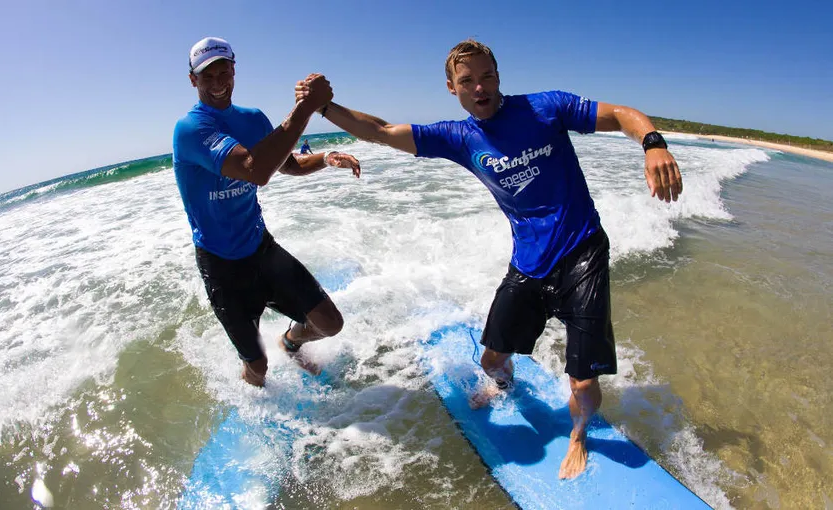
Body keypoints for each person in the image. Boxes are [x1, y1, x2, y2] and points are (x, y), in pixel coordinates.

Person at [297, 39, 682, 479]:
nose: (479, 88)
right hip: (529, 263)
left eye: (487, 77)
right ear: (452, 89)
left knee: (583, 380)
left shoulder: (545, 109)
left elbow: (620, 115)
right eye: (467, 81)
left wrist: (652, 143)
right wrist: (325, 108)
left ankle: (578, 435)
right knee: (491, 360)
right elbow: (382, 131)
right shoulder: (460, 138)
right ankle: (504, 386)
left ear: (499, 77)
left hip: (582, 251)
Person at [172, 37, 361, 387]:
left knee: (329, 323)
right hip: (221, 264)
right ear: (192, 80)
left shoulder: (253, 118)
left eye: (223, 72)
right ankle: (260, 413)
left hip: (261, 248)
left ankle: (290, 342)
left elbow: (288, 165)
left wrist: (325, 158)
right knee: (257, 367)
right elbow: (255, 170)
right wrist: (306, 106)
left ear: (233, 71)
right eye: (207, 76)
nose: (217, 83)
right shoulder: (191, 129)